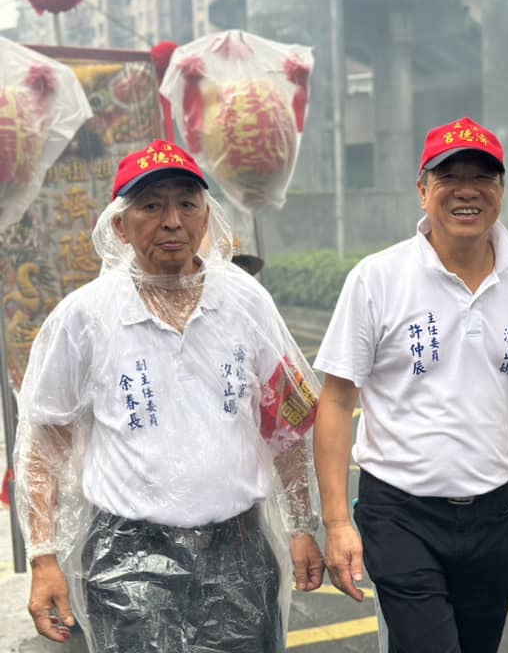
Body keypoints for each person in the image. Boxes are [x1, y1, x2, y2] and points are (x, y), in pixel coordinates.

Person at [313, 116, 508, 653]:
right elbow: (336, 401)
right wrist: (336, 521)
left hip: (494, 513)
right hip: (399, 512)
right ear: (423, 189)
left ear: (501, 190)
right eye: (450, 177)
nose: (467, 190)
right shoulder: (377, 279)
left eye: (484, 176)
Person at [14, 140, 325, 652]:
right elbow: (46, 442)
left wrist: (300, 524)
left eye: (186, 203)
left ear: (207, 217)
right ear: (120, 225)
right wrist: (44, 555)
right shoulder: (86, 316)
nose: (172, 221)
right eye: (151, 205)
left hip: (239, 549)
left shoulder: (245, 301)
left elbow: (285, 423)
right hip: (128, 554)